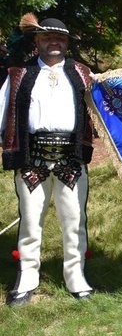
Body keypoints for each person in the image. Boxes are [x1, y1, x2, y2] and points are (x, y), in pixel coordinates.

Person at [0, 15, 96, 306]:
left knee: (74, 222)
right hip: (32, 161)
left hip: (71, 161)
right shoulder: (18, 74)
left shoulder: (82, 73)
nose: (54, 42)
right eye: (47, 38)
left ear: (66, 43)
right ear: (37, 41)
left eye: (60, 39)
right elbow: (2, 110)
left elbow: (103, 111)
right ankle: (27, 280)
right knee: (30, 224)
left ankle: (76, 278)